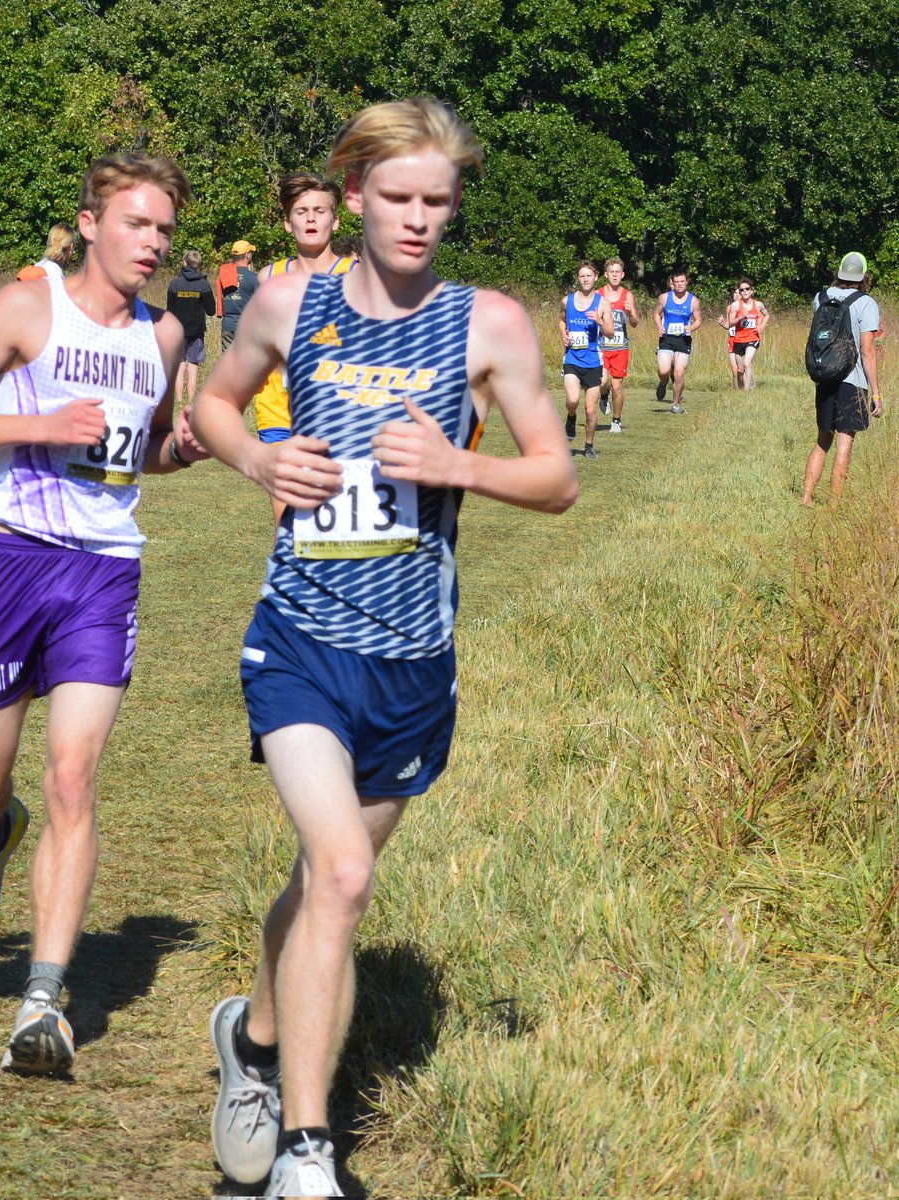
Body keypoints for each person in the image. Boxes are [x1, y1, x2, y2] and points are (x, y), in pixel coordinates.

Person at [191, 97, 577, 1198]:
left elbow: (554, 477)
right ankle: (307, 1157)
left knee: (323, 882)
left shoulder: (487, 324)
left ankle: (253, 1045)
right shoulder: (287, 300)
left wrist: (460, 467)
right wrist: (262, 464)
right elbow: (217, 407)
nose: (415, 221)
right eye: (397, 198)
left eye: (437, 204)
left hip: (413, 663)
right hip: (302, 639)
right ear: (351, 193)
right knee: (345, 873)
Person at [0, 154, 208, 1075]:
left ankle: (42, 1003)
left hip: (104, 572)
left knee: (74, 778)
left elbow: (144, 455)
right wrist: (39, 427)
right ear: (90, 223)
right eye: (138, 224)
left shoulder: (164, 337)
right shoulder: (27, 306)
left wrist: (191, 446)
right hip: (10, 560)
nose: (154, 244)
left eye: (165, 231)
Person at [254, 173, 357, 524]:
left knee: (336, 526)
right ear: (287, 223)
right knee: (288, 526)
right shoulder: (269, 277)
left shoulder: (358, 276)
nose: (311, 218)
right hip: (279, 413)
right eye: (301, 211)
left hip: (338, 415)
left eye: (319, 210)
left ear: (335, 219)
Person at [802, 252, 882, 506]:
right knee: (844, 443)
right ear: (864, 276)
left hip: (825, 377)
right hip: (853, 380)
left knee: (823, 439)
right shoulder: (866, 303)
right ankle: (835, 506)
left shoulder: (820, 298)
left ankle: (806, 497)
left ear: (839, 273)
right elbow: (868, 350)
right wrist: (876, 392)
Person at [559, 261, 613, 458]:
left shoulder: (603, 303)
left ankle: (589, 445)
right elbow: (561, 320)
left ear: (596, 277)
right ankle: (571, 418)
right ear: (578, 278)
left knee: (590, 411)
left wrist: (599, 321)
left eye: (589, 275)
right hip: (572, 358)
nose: (585, 279)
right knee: (572, 400)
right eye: (582, 276)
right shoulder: (567, 300)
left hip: (593, 362)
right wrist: (564, 334)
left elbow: (610, 332)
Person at [166, 248, 215, 404]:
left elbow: (169, 312)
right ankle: (191, 401)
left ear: (184, 262)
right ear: (198, 264)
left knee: (180, 367)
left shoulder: (175, 284)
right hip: (197, 332)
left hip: (178, 332)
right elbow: (212, 311)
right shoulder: (203, 285)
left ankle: (179, 401)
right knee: (193, 367)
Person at [597, 257, 638, 434]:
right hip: (602, 346)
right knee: (602, 381)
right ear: (606, 274)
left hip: (620, 347)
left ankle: (616, 420)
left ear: (623, 275)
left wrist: (630, 313)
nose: (614, 275)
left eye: (617, 272)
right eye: (611, 272)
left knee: (617, 386)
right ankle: (604, 396)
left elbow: (635, 323)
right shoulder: (598, 294)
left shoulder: (627, 295)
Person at [654, 268, 702, 414]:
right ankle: (663, 382)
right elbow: (656, 314)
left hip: (683, 340)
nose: (680, 284)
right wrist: (659, 326)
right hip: (666, 339)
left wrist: (691, 327)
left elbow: (699, 320)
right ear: (672, 283)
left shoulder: (693, 300)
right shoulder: (664, 298)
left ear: (687, 282)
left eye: (682, 281)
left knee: (679, 373)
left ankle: (676, 404)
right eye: (677, 282)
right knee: (664, 370)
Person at [725, 277, 770, 391]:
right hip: (739, 340)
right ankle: (740, 387)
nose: (744, 291)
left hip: (753, 338)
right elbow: (730, 323)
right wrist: (740, 316)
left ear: (752, 291)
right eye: (742, 290)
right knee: (740, 369)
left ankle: (746, 392)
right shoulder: (735, 306)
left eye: (747, 289)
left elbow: (767, 315)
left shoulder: (758, 305)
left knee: (747, 363)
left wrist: (762, 326)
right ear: (739, 292)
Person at [216, 239, 259, 351]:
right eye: (251, 252)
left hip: (228, 325)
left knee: (228, 362)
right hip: (246, 327)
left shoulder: (224, 274)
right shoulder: (253, 278)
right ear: (247, 255)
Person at [718, 286, 742, 390]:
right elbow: (728, 326)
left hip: (743, 340)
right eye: (735, 293)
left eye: (739, 293)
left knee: (743, 368)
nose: (737, 295)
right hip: (732, 340)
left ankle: (746, 388)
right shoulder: (729, 308)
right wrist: (722, 323)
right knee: (735, 369)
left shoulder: (747, 307)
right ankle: (737, 393)